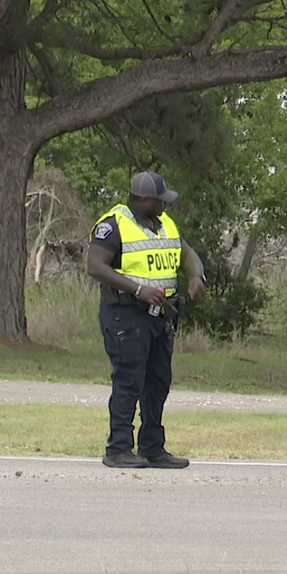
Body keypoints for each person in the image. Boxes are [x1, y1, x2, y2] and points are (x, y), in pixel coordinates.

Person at [87, 170, 205, 470]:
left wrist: (196, 275)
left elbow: (186, 251)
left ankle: (153, 448)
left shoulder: (164, 225)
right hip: (125, 314)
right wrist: (139, 290)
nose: (165, 205)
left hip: (160, 317)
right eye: (159, 200)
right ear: (143, 200)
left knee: (157, 382)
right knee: (129, 380)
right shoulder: (114, 225)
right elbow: (96, 266)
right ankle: (119, 449)